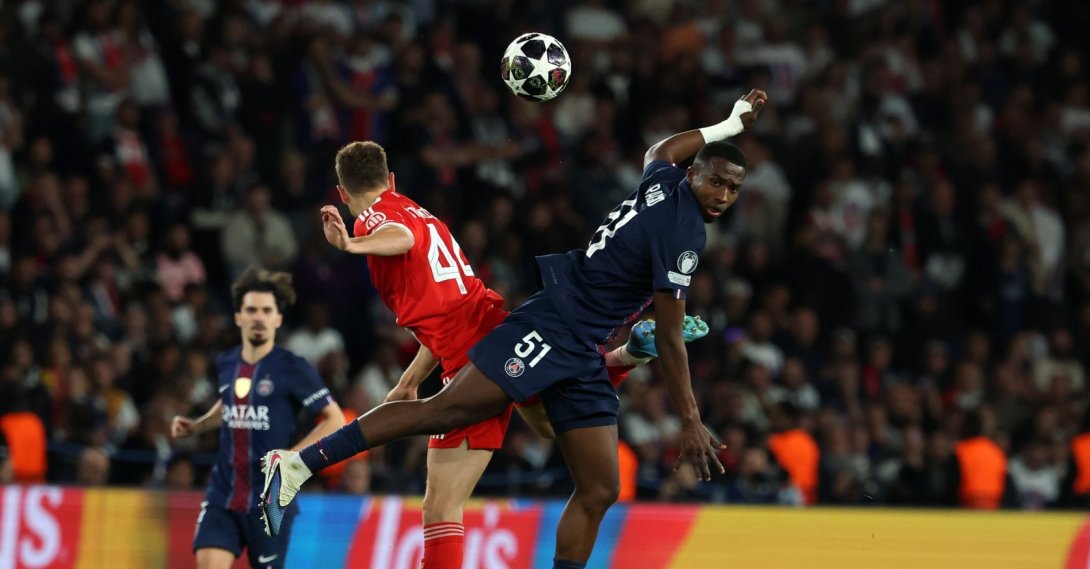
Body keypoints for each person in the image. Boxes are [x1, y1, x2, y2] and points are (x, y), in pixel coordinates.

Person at [262, 89, 766, 568]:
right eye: (716, 183)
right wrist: (689, 420)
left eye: (734, 188)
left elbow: (661, 149)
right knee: (453, 415)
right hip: (556, 323)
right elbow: (673, 337)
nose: (723, 196)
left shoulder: (664, 182)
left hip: (578, 338)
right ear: (693, 174)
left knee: (599, 487)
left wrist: (728, 125)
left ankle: (626, 355)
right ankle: (300, 465)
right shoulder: (683, 232)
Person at [171, 268, 345, 569]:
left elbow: (335, 419)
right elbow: (229, 404)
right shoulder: (227, 362)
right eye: (252, 310)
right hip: (223, 493)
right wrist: (197, 426)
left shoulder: (293, 367)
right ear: (239, 317)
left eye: (267, 311)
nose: (259, 317)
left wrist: (292, 458)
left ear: (278, 319)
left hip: (271, 500)